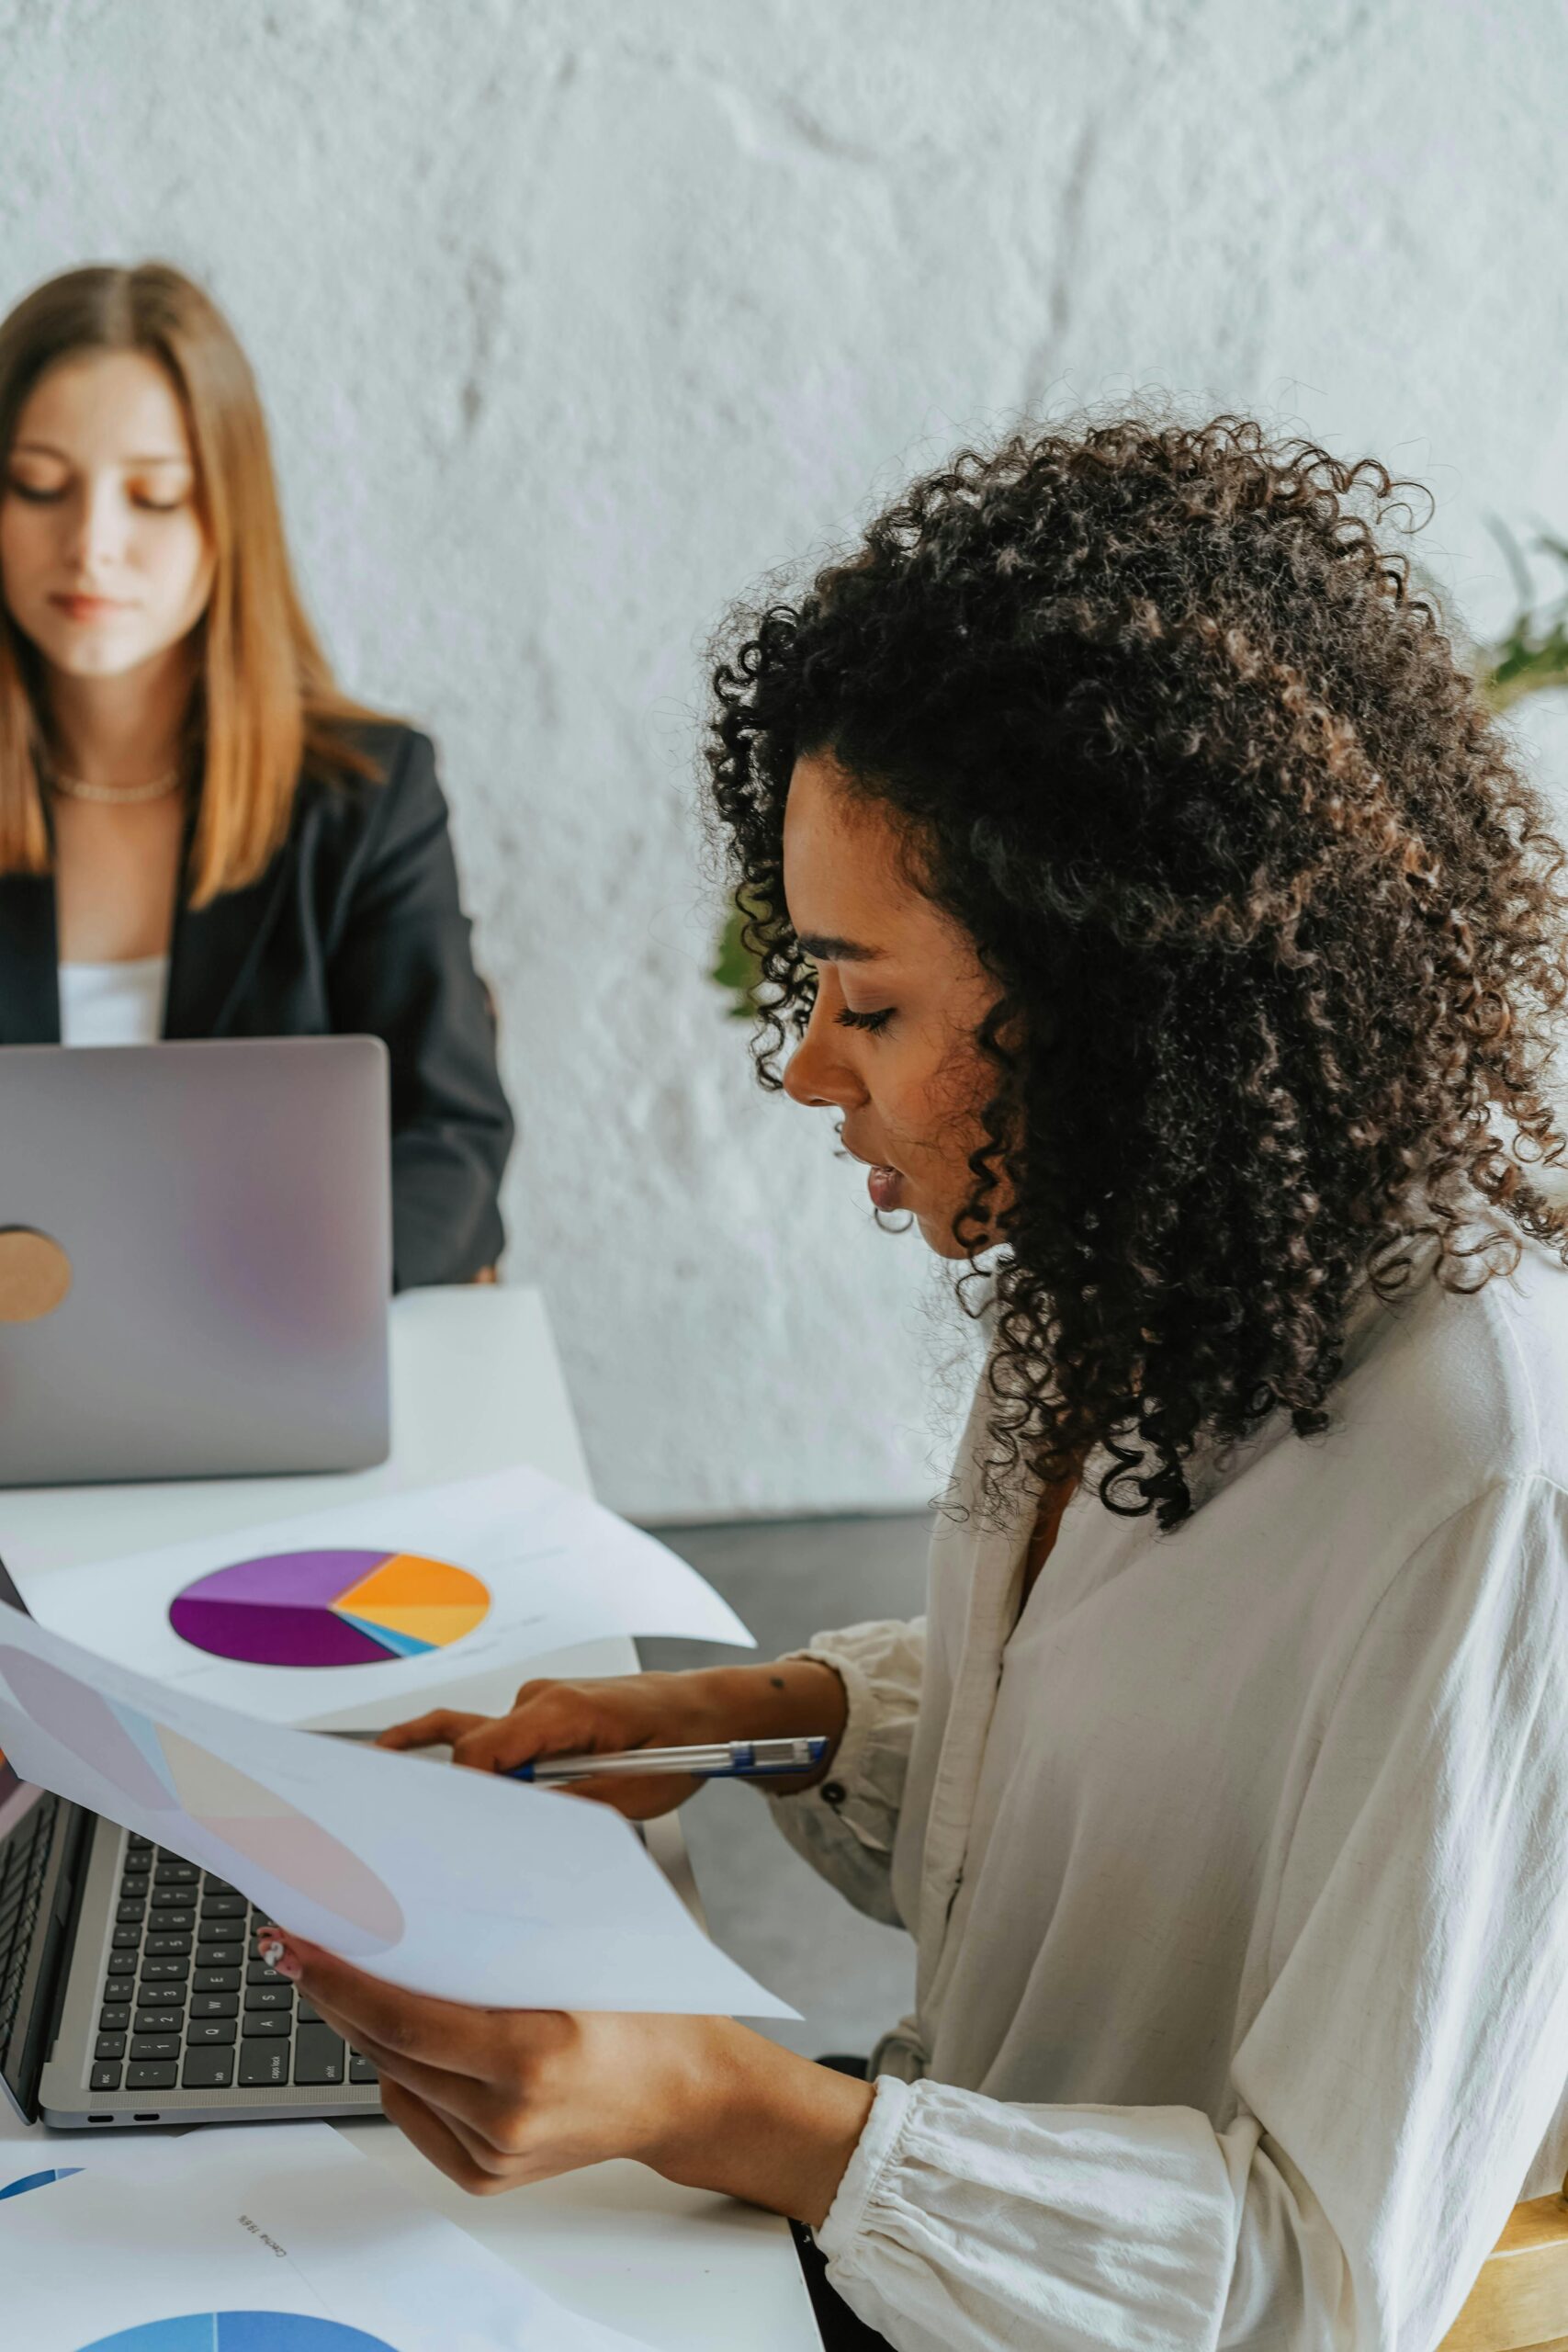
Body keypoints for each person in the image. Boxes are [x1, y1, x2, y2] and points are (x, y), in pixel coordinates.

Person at [258, 417, 1568, 2351]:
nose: (804, 1068)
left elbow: (1315, 2281)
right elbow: (1087, 1799)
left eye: (865, 1001)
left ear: (1118, 993)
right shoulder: (1134, 1265)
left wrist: (728, 2107)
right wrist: (748, 1716)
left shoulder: (1476, 1478)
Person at [0, 263, 513, 1288]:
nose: (92, 546)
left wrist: (262, 1296)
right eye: (39, 486)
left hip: (265, 1353)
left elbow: (451, 1147)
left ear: (225, 518)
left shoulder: (367, 796)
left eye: (154, 497)